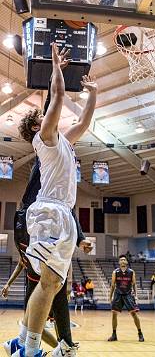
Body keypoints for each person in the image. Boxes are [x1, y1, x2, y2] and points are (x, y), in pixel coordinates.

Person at [10, 43, 97, 357]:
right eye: (44, 116)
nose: (52, 117)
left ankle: (21, 341)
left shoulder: (63, 141)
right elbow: (58, 96)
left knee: (52, 285)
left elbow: (84, 124)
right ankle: (29, 349)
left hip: (64, 216)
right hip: (48, 210)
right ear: (37, 126)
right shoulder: (44, 137)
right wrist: (56, 67)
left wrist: (93, 93)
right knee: (46, 285)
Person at [108, 254, 144, 342]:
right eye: (121, 260)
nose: (123, 261)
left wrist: (136, 295)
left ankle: (140, 333)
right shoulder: (115, 272)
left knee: (134, 314)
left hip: (128, 294)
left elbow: (134, 284)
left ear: (127, 262)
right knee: (114, 314)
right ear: (119, 262)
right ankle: (114, 334)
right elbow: (113, 285)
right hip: (118, 294)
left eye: (124, 260)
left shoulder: (131, 272)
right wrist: (110, 297)